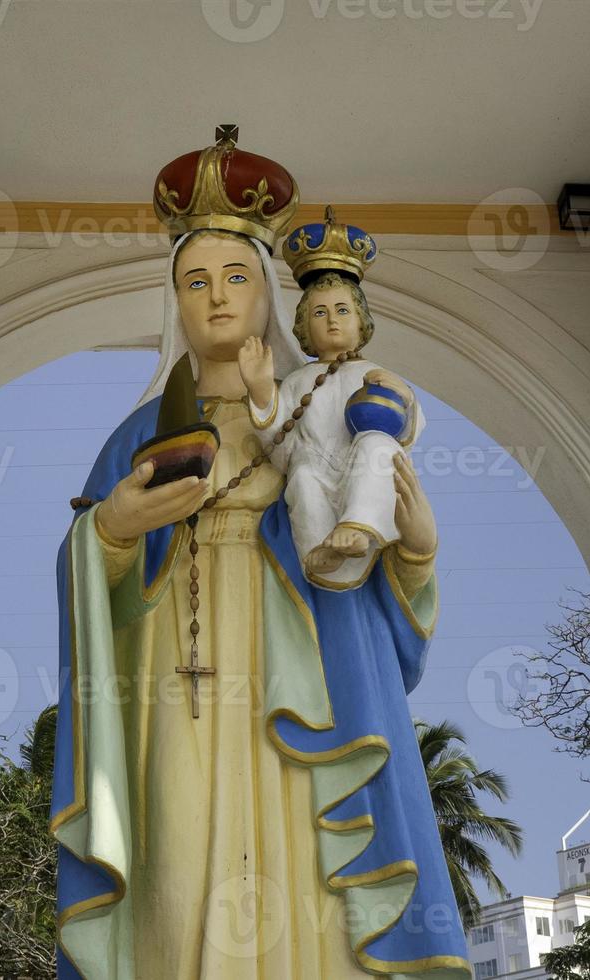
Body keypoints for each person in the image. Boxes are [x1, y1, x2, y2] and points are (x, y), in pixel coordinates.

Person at [48, 131, 471, 979]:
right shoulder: (138, 434)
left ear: (268, 295)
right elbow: (83, 582)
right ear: (172, 299)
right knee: (174, 866)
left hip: (306, 688)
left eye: (235, 278)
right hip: (172, 685)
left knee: (304, 874)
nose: (214, 300)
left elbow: (378, 581)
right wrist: (114, 529)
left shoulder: (319, 411)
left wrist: (415, 556)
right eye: (193, 282)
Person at [240, 207, 424, 589]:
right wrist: (261, 390)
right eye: (319, 313)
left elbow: (408, 432)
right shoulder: (298, 380)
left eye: (342, 310)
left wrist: (402, 394)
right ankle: (320, 551)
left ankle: (359, 526)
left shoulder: (374, 373)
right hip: (318, 470)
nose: (332, 320)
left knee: (377, 444)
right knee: (303, 478)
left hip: (363, 471)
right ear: (304, 327)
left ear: (361, 320)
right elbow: (280, 447)